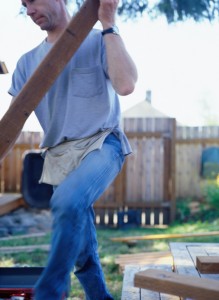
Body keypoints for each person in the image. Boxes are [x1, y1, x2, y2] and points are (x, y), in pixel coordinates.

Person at [9, 0, 138, 299]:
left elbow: (127, 84)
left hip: (102, 144)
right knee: (82, 252)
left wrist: (108, 22)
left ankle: (49, 293)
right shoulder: (27, 63)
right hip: (58, 157)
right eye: (23, 4)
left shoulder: (99, 41)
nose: (28, 10)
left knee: (67, 202)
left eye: (33, 0)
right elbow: (12, 124)